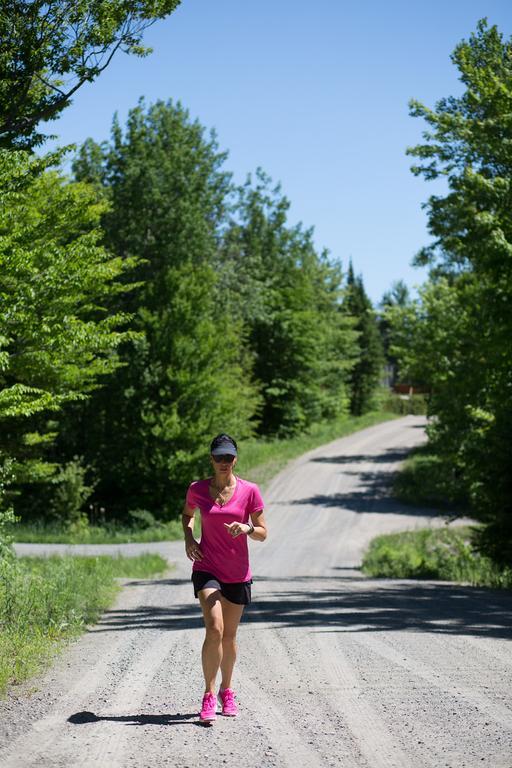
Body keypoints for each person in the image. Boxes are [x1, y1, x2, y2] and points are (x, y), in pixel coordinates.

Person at [182, 433, 268, 724]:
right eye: (218, 457)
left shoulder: (249, 491)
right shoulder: (197, 489)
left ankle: (226, 691)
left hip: (237, 573)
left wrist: (246, 528)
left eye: (228, 457)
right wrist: (189, 537)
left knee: (230, 637)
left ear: (235, 459)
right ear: (211, 458)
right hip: (207, 568)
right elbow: (187, 515)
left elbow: (263, 532)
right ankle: (207, 694)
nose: (223, 462)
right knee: (215, 628)